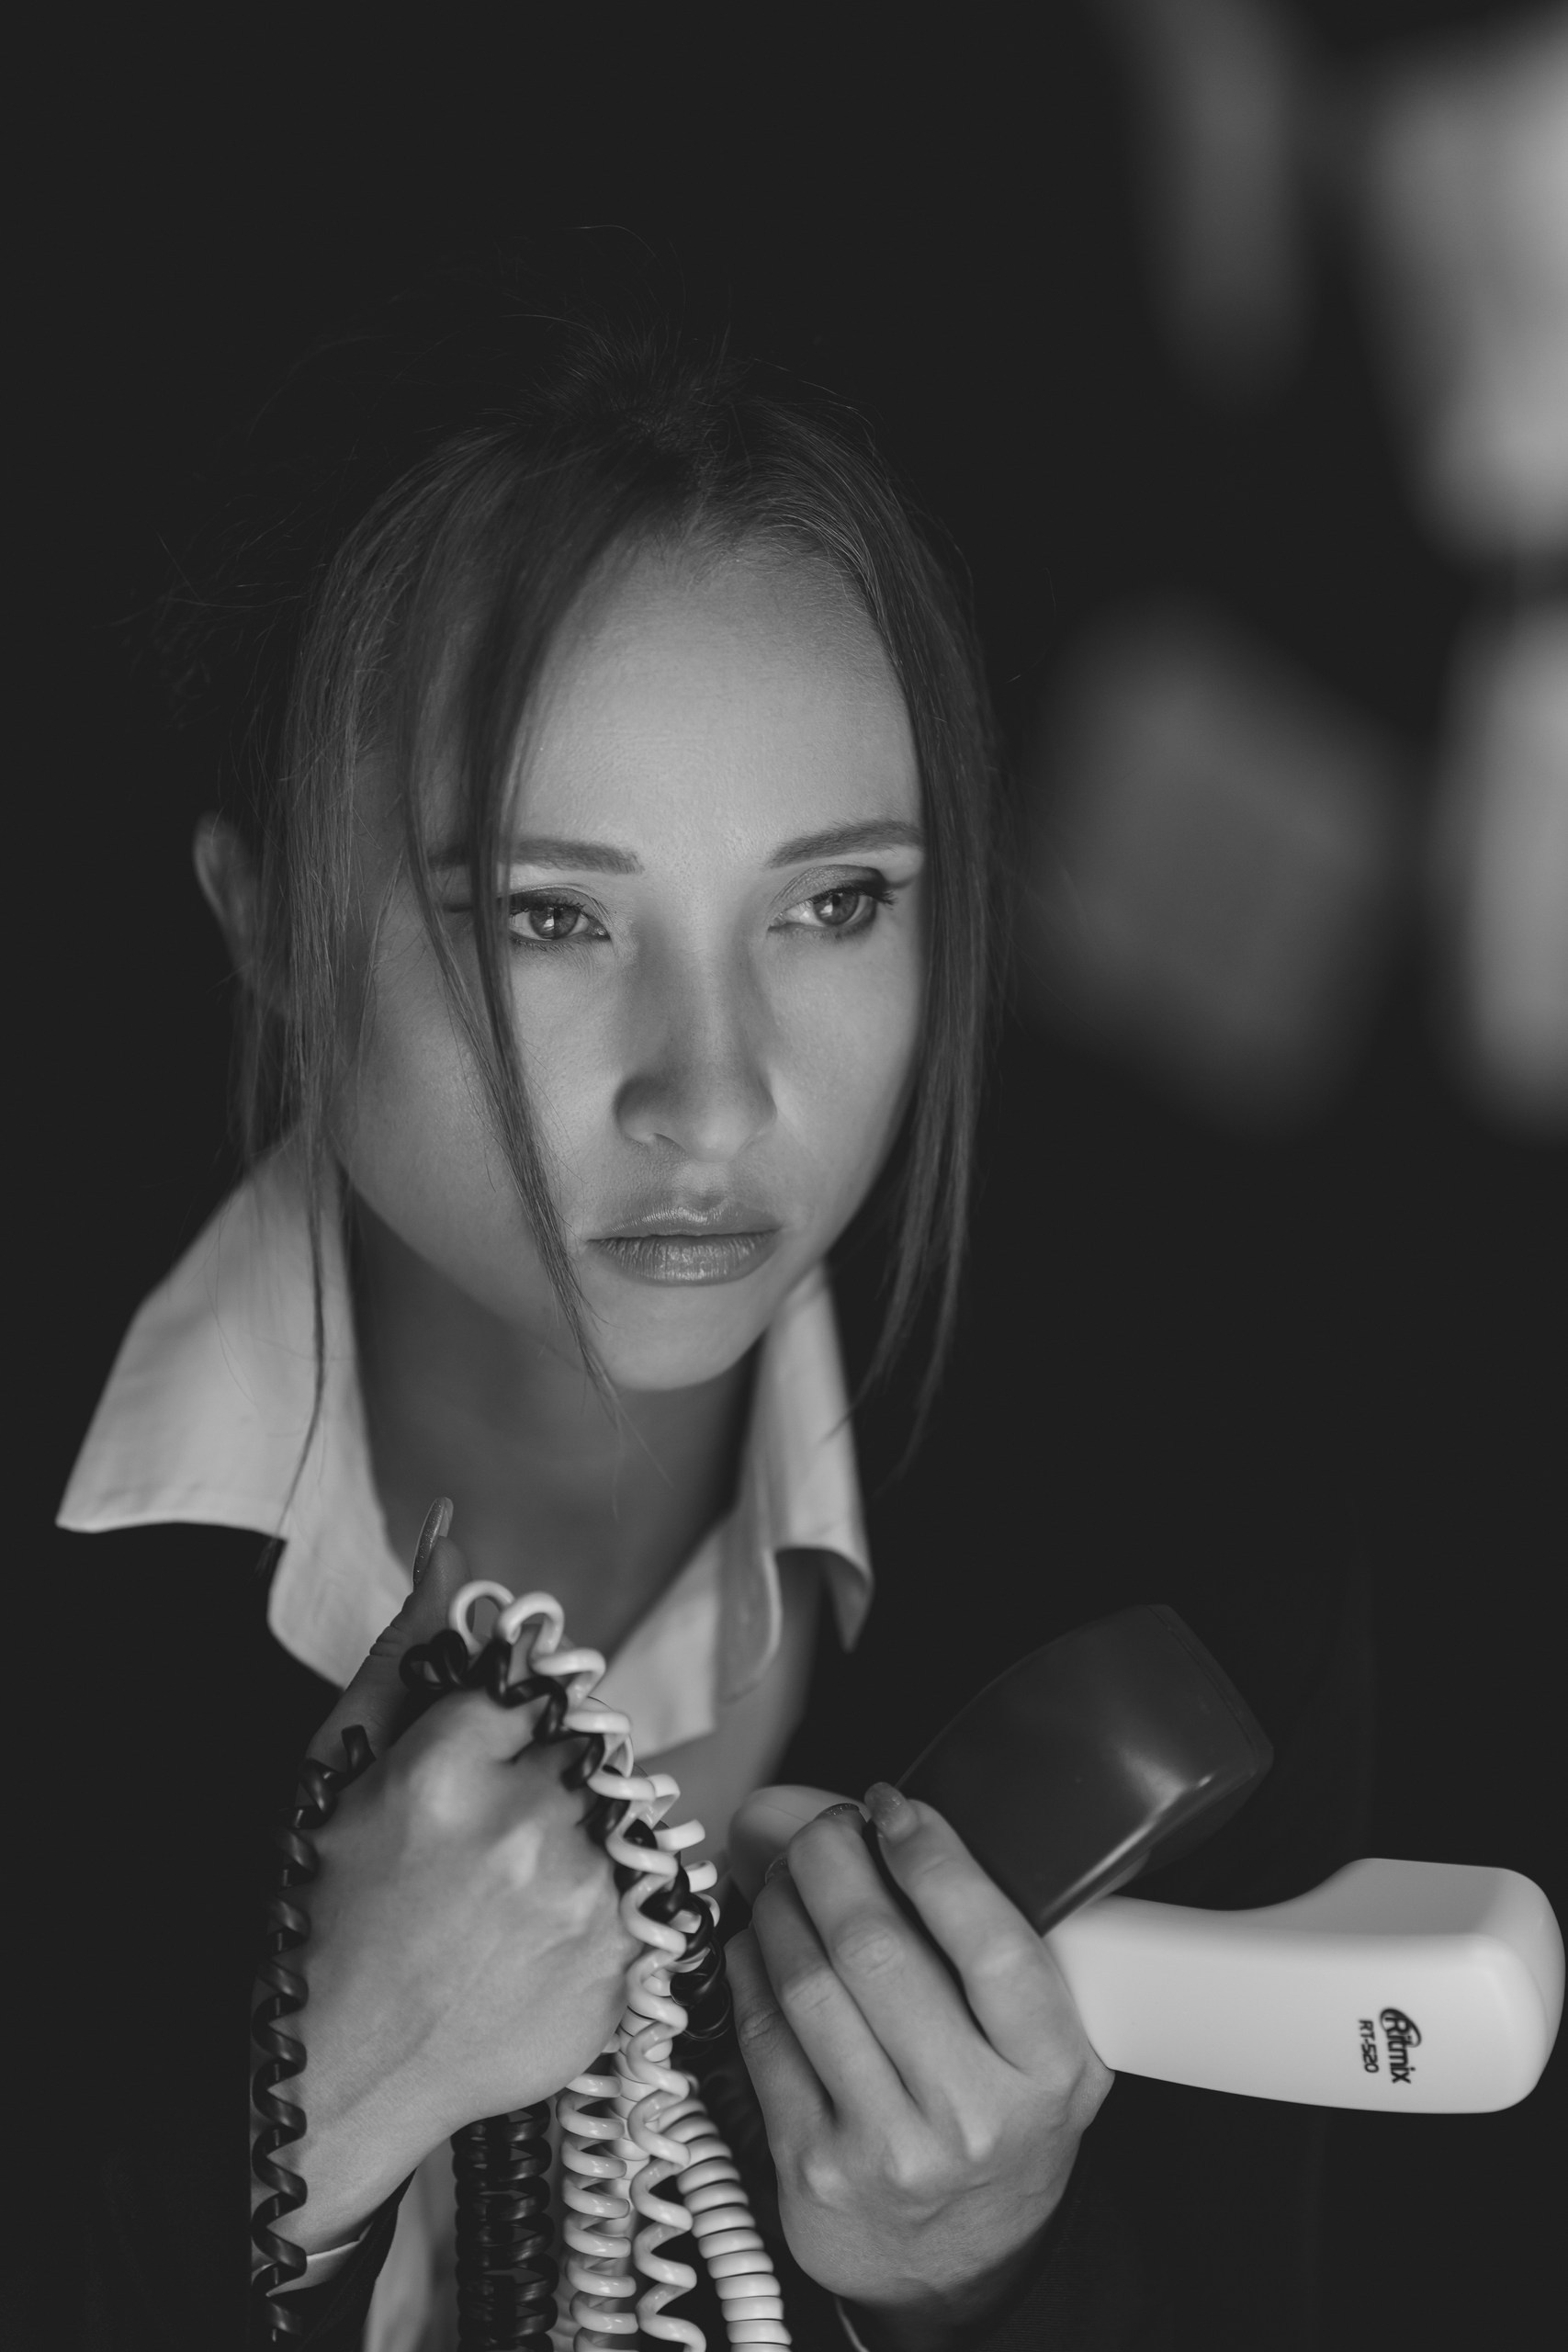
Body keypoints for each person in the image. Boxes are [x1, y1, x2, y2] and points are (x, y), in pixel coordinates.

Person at [57, 250, 1370, 2352]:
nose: (717, 1092)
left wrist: (968, 2281)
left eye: (833, 902)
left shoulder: (1203, 1539)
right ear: (272, 921)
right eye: (547, 916)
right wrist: (310, 2136)